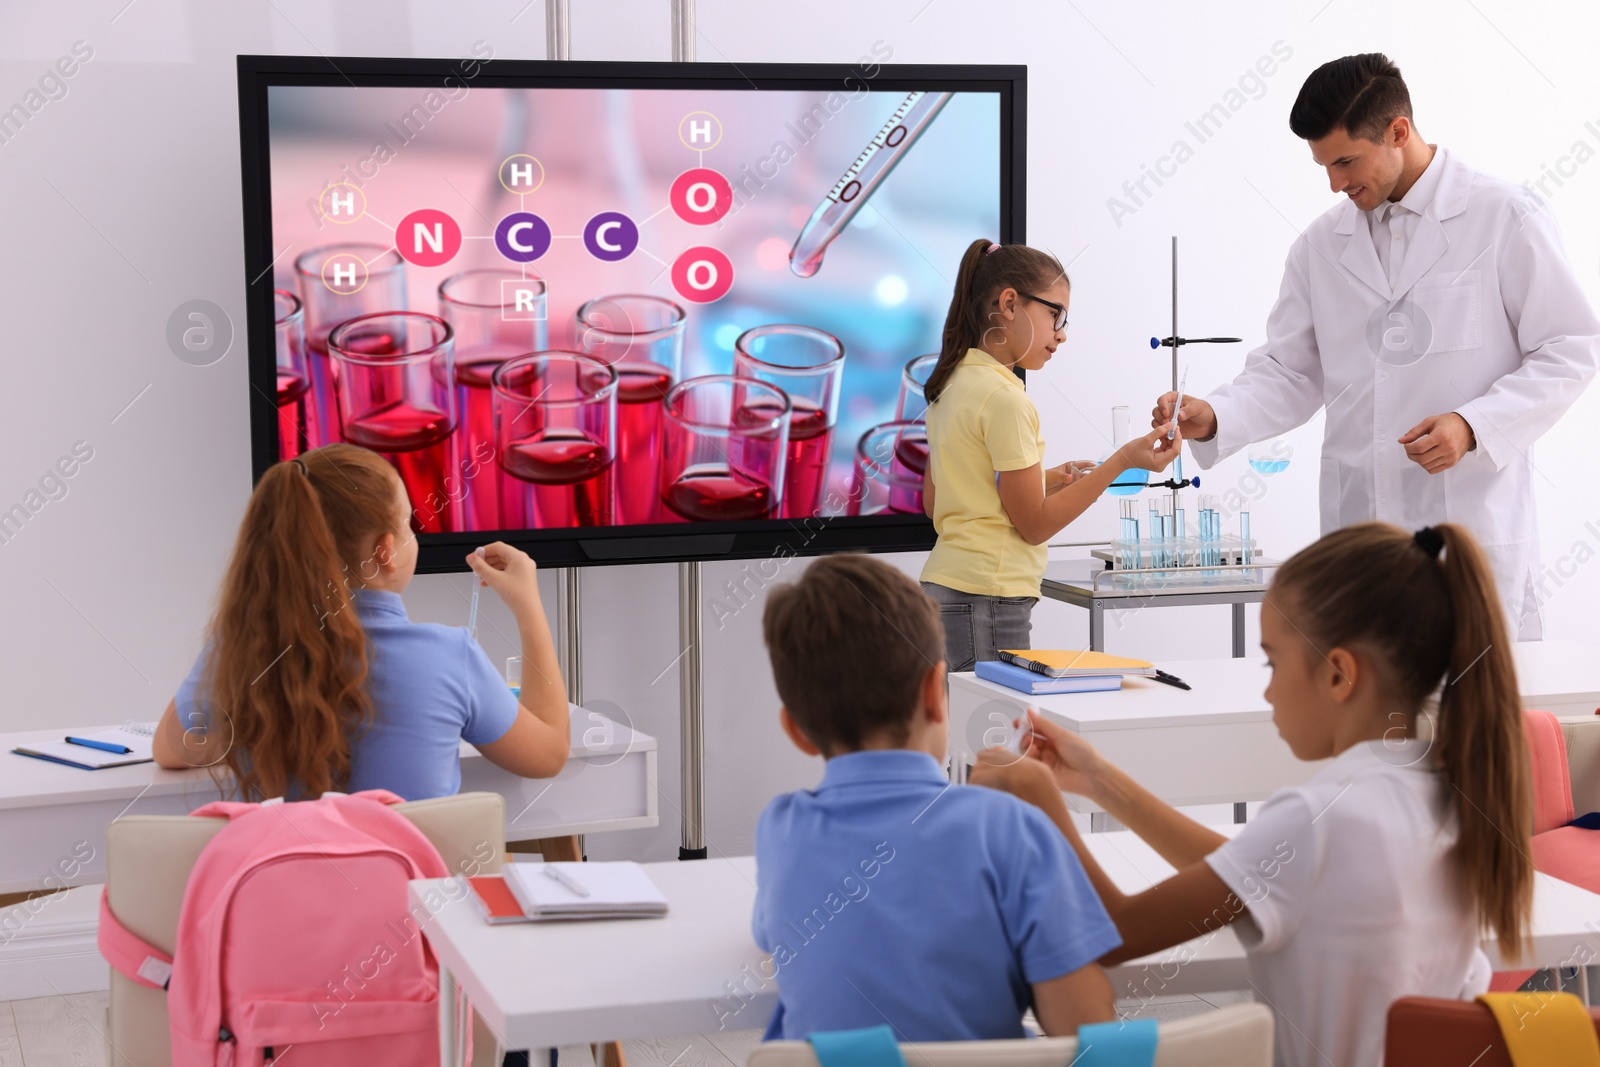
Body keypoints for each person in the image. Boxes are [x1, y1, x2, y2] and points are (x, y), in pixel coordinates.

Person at [971, 521, 1532, 1067]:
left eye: (1273, 661)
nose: (1266, 687)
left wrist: (1037, 798)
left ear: (1338, 675)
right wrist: (1098, 780)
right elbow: (1254, 875)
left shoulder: (1316, 818)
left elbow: (1110, 935)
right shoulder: (1445, 794)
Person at [1156, 53, 1600, 640]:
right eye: (1324, 166)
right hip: (1359, 539)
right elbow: (1291, 371)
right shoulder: (1319, 246)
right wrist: (1215, 415)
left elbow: (1570, 346)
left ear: (1398, 132)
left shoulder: (1503, 217)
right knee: (1364, 720)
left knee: (1469, 721)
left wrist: (1474, 426)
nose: (1336, 184)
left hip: (1465, 531)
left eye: (1345, 161)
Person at [749, 553, 1120, 1040]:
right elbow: (1087, 1035)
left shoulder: (781, 828)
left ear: (796, 731)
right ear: (933, 690)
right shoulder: (1011, 828)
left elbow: (768, 935)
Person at [152, 443, 570, 801]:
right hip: (413, 898)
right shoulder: (449, 657)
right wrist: (528, 605)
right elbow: (549, 754)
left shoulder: (241, 649)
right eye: (408, 523)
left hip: (282, 896)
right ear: (386, 551)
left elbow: (171, 750)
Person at [922, 238, 1179, 669]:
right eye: (1055, 314)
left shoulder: (952, 384)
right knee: (998, 733)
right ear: (1009, 303)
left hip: (946, 589)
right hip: (988, 595)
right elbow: (1035, 525)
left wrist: (1046, 481)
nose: (1062, 333)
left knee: (969, 730)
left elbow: (941, 501)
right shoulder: (1006, 399)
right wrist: (1120, 463)